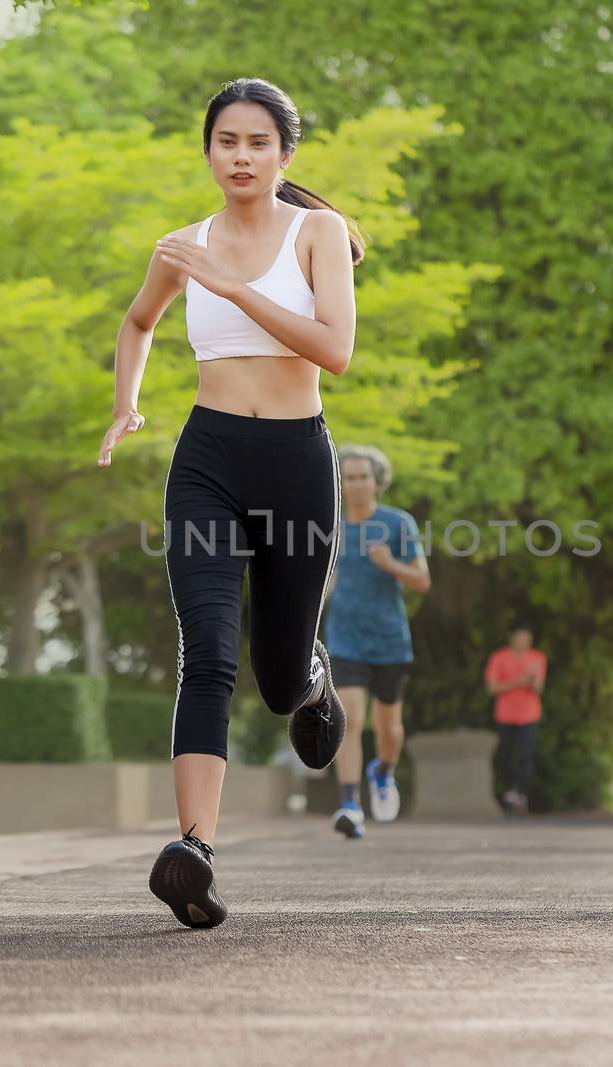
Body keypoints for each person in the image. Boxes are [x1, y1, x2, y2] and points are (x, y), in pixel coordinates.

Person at [98, 78, 365, 929]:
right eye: (226, 142)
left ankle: (315, 682)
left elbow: (335, 349)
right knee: (207, 651)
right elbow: (137, 323)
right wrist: (126, 401)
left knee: (279, 681)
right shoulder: (182, 245)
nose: (241, 157)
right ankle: (195, 851)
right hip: (206, 460)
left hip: (294, 461)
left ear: (285, 154)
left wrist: (231, 283)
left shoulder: (316, 232)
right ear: (208, 151)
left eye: (257, 143)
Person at [324, 444, 431, 839]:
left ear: (377, 481)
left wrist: (390, 564)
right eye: (349, 477)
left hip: (389, 640)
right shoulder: (328, 524)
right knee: (349, 718)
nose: (356, 484)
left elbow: (422, 581)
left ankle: (383, 771)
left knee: (390, 730)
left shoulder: (398, 523)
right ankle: (350, 806)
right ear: (341, 482)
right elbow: (325, 581)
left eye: (363, 476)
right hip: (344, 638)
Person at [485, 623, 547, 816]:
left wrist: (530, 681)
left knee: (525, 755)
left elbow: (538, 687)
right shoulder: (499, 657)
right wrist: (519, 681)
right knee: (504, 756)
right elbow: (493, 688)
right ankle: (507, 793)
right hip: (505, 714)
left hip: (529, 715)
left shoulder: (537, 658)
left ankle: (521, 794)